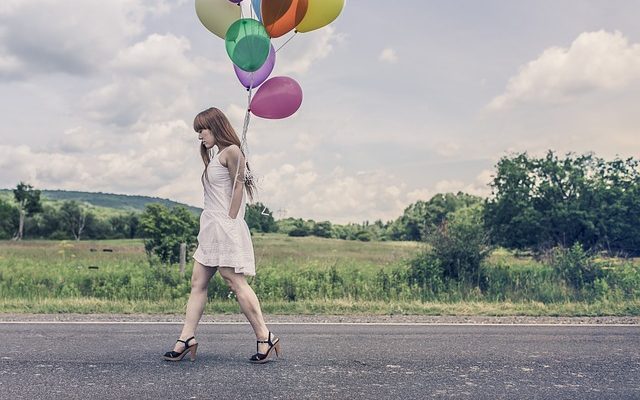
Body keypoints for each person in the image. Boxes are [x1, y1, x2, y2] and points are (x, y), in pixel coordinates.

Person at [163, 107, 280, 364]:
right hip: (210, 228)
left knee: (234, 280)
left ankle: (265, 335)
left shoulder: (232, 152)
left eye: (202, 130)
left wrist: (230, 222)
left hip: (225, 226)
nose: (199, 137)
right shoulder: (216, 156)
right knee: (197, 283)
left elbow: (238, 188)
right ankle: (186, 338)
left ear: (215, 126)